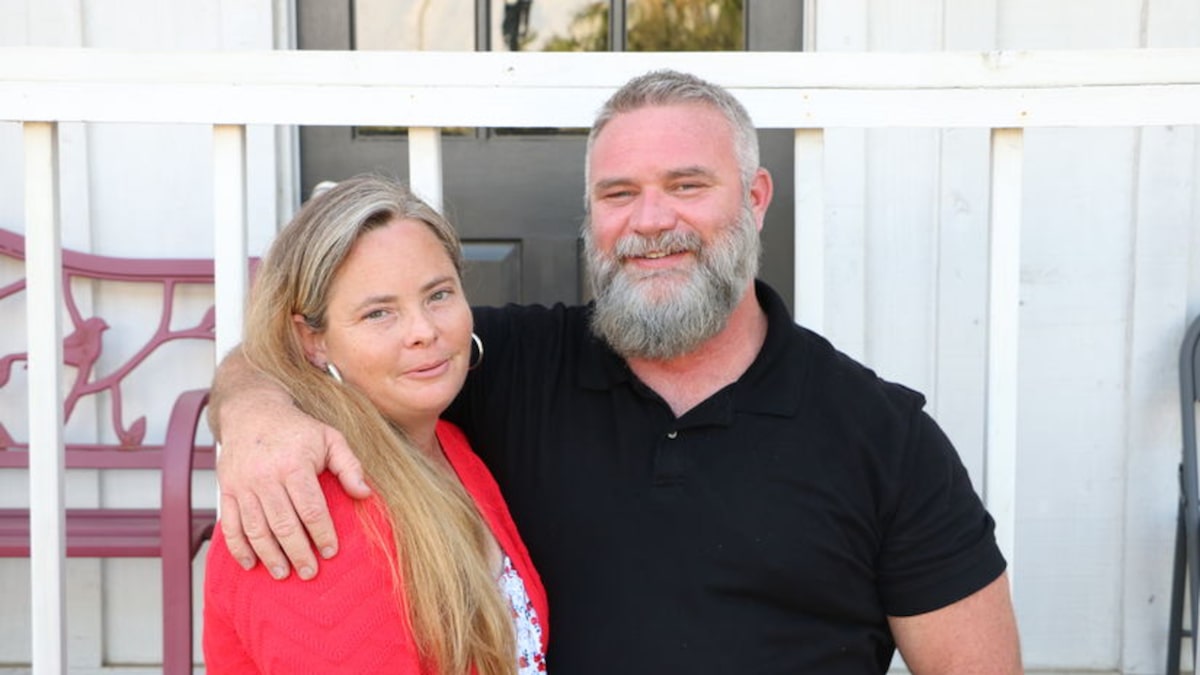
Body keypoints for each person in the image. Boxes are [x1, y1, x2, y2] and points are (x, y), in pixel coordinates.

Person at [209, 70, 1022, 673]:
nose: (651, 220)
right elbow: (307, 351)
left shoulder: (884, 437)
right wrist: (257, 415)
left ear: (755, 197)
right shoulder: (502, 366)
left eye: (687, 185)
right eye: (618, 192)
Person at [201, 176, 548, 674]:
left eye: (438, 295)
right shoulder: (307, 501)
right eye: (378, 313)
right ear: (313, 340)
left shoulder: (449, 445)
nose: (424, 331)